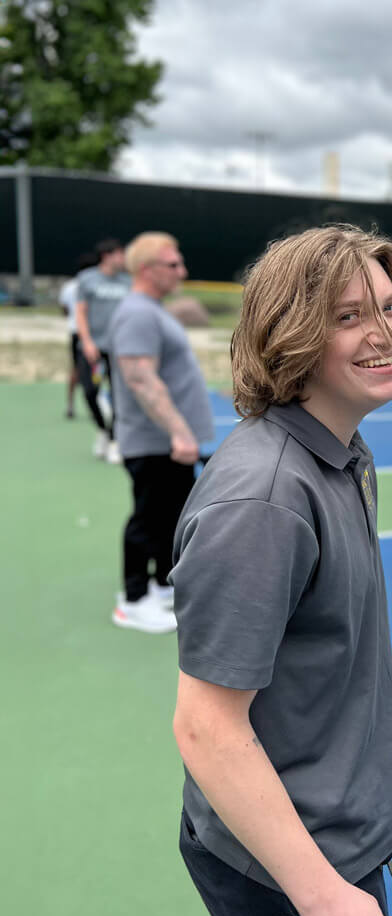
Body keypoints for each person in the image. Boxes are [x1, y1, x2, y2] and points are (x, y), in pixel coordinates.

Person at [170, 225, 392, 916]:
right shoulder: (264, 502)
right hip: (291, 862)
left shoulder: (346, 453)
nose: (385, 333)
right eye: (348, 315)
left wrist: (383, 703)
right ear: (290, 333)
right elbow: (206, 726)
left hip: (324, 838)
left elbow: (310, 634)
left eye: (390, 309)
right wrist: (322, 896)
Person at [109, 232, 214, 633]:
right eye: (173, 264)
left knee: (170, 516)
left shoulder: (151, 310)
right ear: (148, 269)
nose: (182, 271)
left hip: (167, 442)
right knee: (148, 518)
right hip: (155, 442)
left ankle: (159, 585)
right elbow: (140, 377)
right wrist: (179, 433)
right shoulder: (137, 313)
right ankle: (133, 600)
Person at [75, 238, 133, 463]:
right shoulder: (87, 279)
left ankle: (114, 440)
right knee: (90, 392)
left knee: (120, 397)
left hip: (120, 350)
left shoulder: (128, 281)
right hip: (93, 349)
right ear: (108, 255)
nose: (124, 258)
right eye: (120, 254)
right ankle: (102, 428)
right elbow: (80, 313)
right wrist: (88, 342)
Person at [57, 251, 99, 419]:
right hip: (92, 334)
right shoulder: (95, 285)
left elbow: (64, 310)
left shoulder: (69, 286)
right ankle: (96, 406)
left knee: (76, 370)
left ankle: (70, 405)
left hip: (75, 332)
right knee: (97, 371)